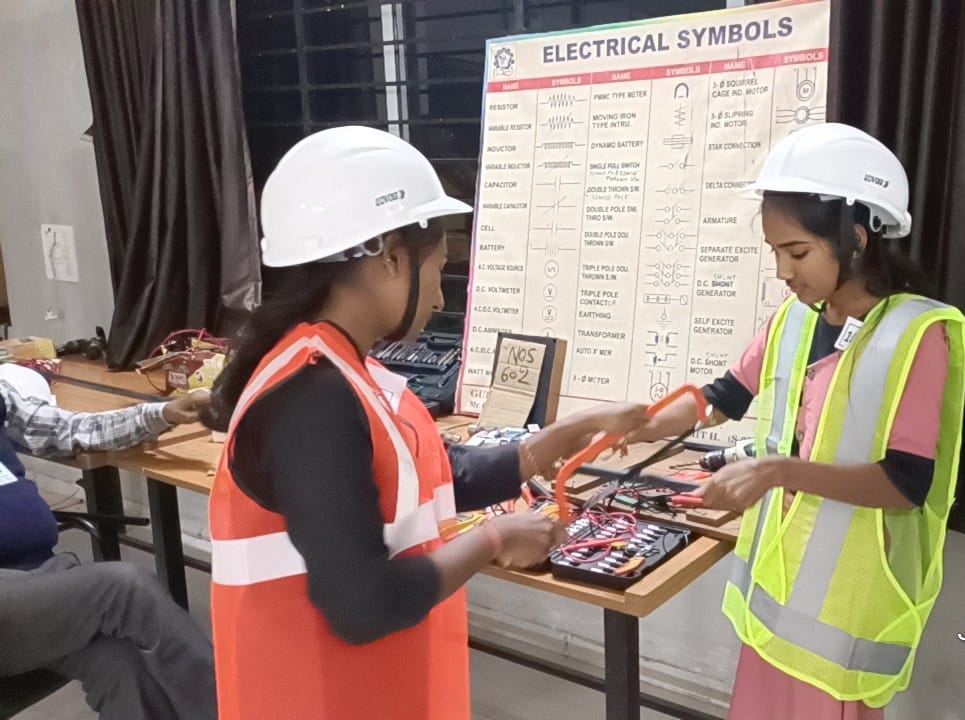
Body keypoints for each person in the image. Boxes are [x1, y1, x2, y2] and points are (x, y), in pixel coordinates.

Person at [202, 126, 648, 720]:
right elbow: (362, 607)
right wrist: (493, 540)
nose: (439, 299)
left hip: (366, 693)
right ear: (390, 257)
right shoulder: (312, 397)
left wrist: (561, 438)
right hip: (318, 699)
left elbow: (429, 472)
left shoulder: (340, 367)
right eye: (438, 268)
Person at [626, 123, 965, 718]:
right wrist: (640, 423)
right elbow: (722, 397)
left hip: (843, 619)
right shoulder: (794, 319)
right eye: (776, 253)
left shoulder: (917, 336)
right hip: (774, 607)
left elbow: (906, 484)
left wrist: (776, 472)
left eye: (798, 252)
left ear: (855, 239)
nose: (783, 271)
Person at [0, 363, 216, 720]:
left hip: (38, 577)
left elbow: (71, 429)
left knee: (122, 663)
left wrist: (162, 414)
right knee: (124, 588)